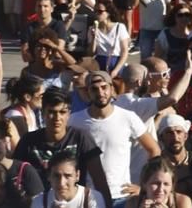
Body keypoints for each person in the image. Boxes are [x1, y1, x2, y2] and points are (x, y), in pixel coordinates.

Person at [68, 71, 159, 205]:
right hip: (90, 196)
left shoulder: (128, 117)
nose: (100, 92)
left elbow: (154, 150)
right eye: (94, 88)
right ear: (88, 92)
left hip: (122, 196)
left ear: (111, 89)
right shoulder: (75, 120)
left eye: (104, 87)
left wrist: (143, 186)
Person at [13, 87, 112, 204]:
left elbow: (99, 179)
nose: (57, 118)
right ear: (43, 112)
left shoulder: (81, 137)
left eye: (62, 112)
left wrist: (107, 204)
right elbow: (14, 177)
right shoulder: (28, 141)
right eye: (51, 112)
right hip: (38, 203)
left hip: (75, 202)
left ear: (69, 114)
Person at [157, 113, 192, 208]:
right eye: (169, 133)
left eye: (179, 132)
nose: (175, 138)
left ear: (185, 136)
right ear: (161, 137)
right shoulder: (155, 166)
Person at [30, 149, 107, 208]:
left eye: (68, 176)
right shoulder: (39, 200)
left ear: (77, 176)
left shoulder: (92, 197)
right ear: (49, 176)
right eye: (57, 176)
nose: (62, 183)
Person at [125, 156, 192, 208]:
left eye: (166, 184)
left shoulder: (182, 202)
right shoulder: (134, 203)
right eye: (155, 183)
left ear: (172, 186)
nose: (160, 189)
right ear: (144, 184)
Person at [90, 0, 130, 77]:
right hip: (99, 63)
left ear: (108, 13)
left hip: (115, 62)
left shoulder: (119, 27)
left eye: (100, 11)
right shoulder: (92, 29)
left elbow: (124, 51)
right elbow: (91, 53)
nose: (96, 14)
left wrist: (116, 70)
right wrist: (93, 37)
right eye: (95, 11)